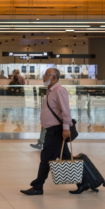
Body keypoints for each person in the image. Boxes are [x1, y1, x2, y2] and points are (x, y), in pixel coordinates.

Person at [21, 68, 73, 196]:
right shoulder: (51, 91)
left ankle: (38, 186)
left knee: (46, 158)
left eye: (46, 74)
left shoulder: (59, 91)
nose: (43, 77)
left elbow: (65, 111)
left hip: (56, 131)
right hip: (52, 130)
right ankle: (86, 181)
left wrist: (66, 128)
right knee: (66, 158)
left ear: (54, 77)